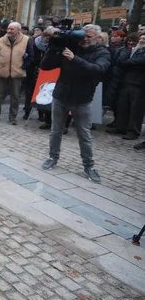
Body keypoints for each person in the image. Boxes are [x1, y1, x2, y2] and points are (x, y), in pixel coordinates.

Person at [40, 24, 111, 183]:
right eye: (82, 36)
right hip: (61, 96)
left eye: (89, 36)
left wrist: (75, 59)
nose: (84, 39)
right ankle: (53, 157)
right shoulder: (72, 47)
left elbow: (98, 69)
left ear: (98, 38)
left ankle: (89, 166)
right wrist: (55, 44)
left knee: (84, 135)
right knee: (55, 131)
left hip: (82, 100)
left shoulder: (102, 52)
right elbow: (45, 65)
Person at [0, 22, 33, 125]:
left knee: (15, 96)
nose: (9, 31)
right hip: (1, 71)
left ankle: (13, 117)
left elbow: (31, 56)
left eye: (12, 29)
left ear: (18, 30)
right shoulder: (1, 40)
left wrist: (23, 67)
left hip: (17, 72)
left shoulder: (26, 40)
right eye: (8, 29)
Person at [106, 33, 145, 140]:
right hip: (126, 82)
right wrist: (130, 63)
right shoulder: (133, 50)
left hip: (139, 85)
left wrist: (129, 63)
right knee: (122, 106)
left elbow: (140, 61)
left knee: (136, 110)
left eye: (144, 39)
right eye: (141, 38)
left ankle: (133, 131)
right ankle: (121, 127)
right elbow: (121, 61)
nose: (142, 40)